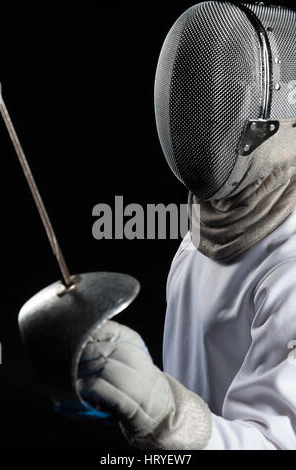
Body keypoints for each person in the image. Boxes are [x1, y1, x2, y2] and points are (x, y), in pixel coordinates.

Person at [77, 1, 296, 450]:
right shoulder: (220, 211)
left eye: (224, 101)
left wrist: (163, 413)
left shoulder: (290, 271)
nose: (199, 112)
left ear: (267, 122)